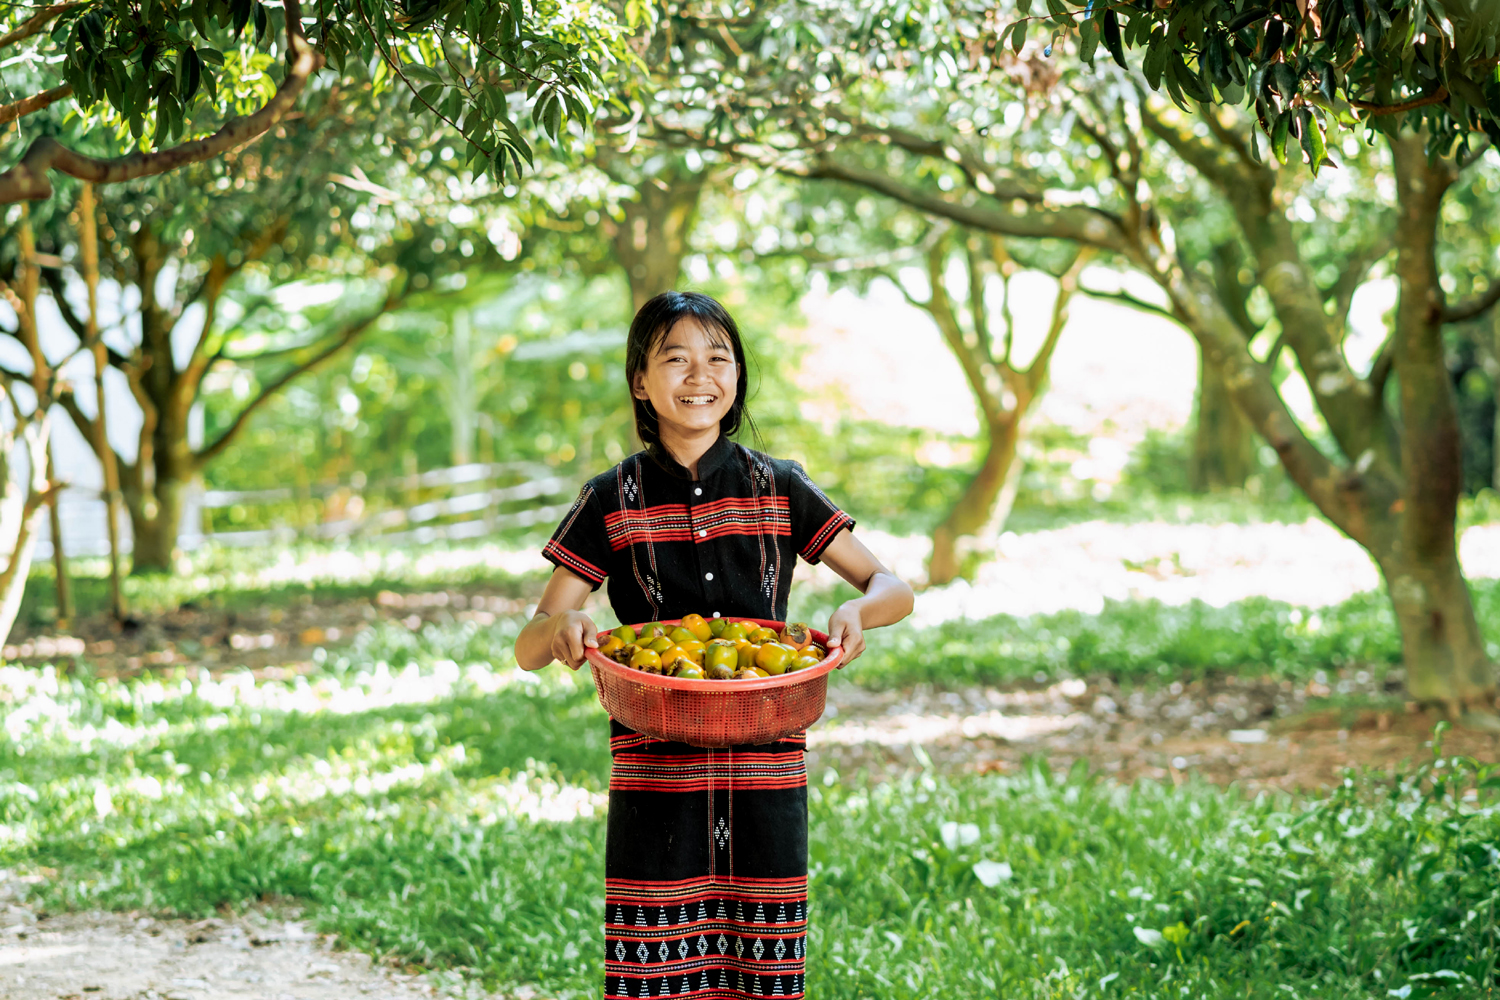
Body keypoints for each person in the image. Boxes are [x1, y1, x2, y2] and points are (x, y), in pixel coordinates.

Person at [514, 290, 913, 999]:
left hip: (767, 768)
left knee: (765, 971)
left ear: (738, 376)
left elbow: (893, 587)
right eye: (676, 359)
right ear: (641, 382)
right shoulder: (610, 498)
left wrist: (860, 610)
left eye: (718, 358)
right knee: (655, 972)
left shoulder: (779, 485)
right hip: (654, 774)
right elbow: (529, 643)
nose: (700, 375)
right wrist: (562, 629)